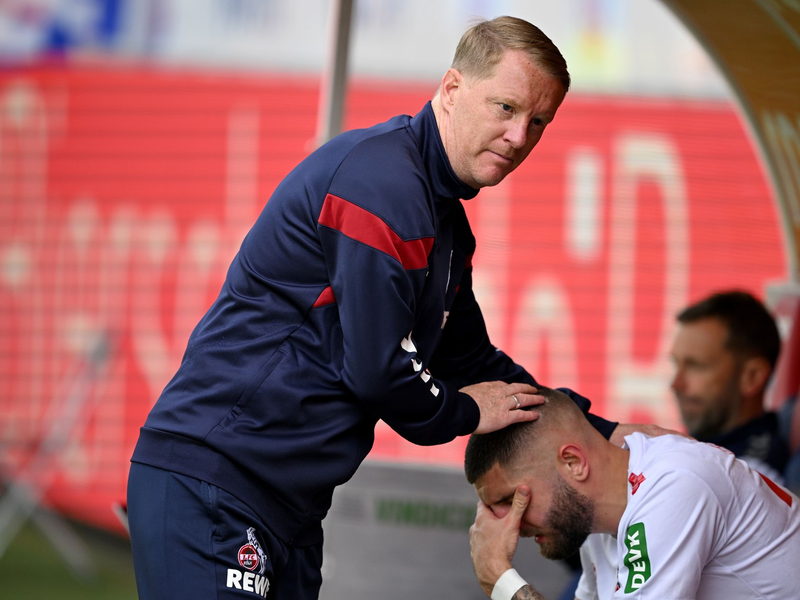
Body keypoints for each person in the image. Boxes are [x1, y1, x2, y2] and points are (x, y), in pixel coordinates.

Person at [126, 16, 636, 600]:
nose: (519, 136)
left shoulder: (445, 223)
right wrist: (463, 411)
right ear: (451, 89)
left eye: (538, 122)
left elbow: (471, 361)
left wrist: (604, 432)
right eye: (506, 107)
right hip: (216, 478)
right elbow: (379, 371)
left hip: (287, 507)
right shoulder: (382, 183)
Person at [466, 387, 800, 600]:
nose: (511, 526)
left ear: (573, 463)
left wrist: (501, 581)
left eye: (513, 500)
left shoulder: (673, 486)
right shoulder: (600, 513)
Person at [670, 290, 788, 481]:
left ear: (752, 377)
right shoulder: (708, 452)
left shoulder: (753, 477)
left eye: (696, 366)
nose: (676, 384)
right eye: (676, 364)